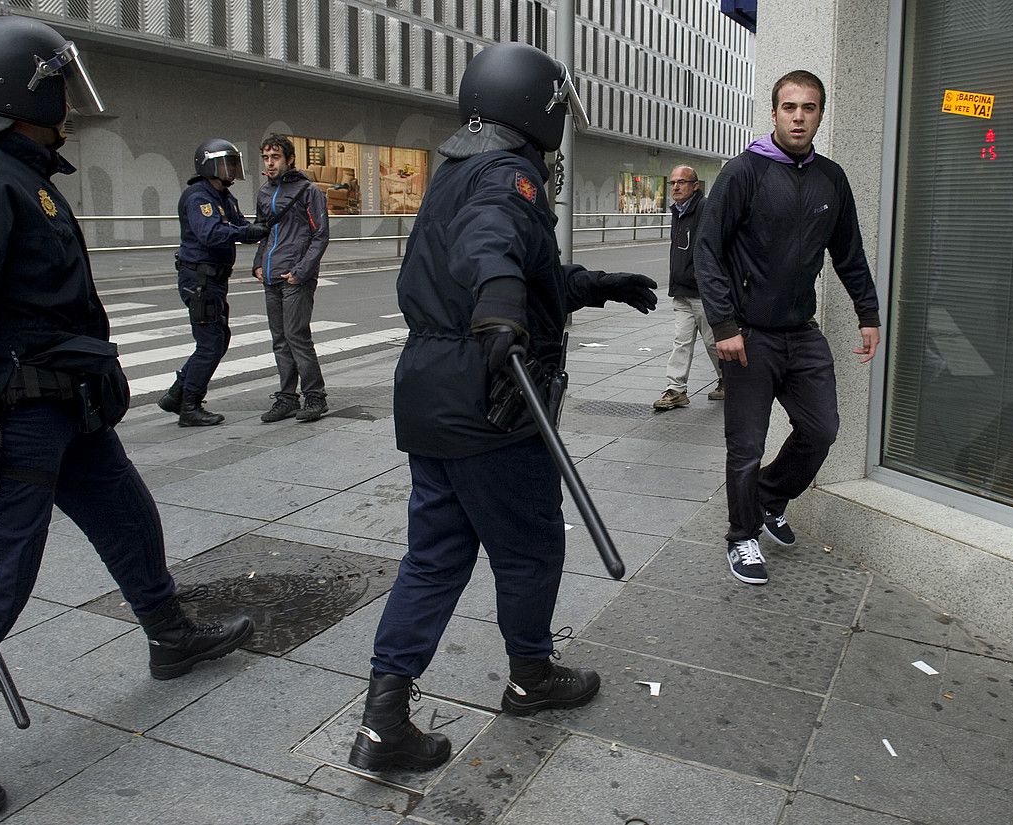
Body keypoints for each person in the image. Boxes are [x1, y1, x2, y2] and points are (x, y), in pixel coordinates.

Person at [0, 17, 254, 823]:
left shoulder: (20, 172)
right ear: (24, 88)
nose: (72, 100)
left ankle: (169, 633)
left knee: (128, 517)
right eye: (59, 84)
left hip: (63, 404)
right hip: (12, 413)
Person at [347, 42, 658, 773]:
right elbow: (494, 247)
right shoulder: (506, 176)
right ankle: (532, 675)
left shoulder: (455, 169)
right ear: (535, 108)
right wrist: (499, 303)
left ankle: (383, 717)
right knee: (530, 547)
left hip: (433, 391)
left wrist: (595, 283)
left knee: (433, 556)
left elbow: (523, 265)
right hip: (492, 397)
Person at [695, 69, 881, 586]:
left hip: (801, 333)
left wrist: (868, 313)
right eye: (789, 107)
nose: (799, 117)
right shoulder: (744, 172)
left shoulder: (832, 178)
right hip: (748, 336)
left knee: (821, 429)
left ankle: (769, 498)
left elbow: (849, 254)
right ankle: (742, 536)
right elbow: (706, 251)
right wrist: (724, 323)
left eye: (809, 108)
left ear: (820, 114)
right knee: (746, 445)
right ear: (774, 112)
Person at [156, 139, 269, 426]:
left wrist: (256, 227)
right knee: (210, 343)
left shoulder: (223, 196)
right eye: (226, 163)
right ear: (209, 164)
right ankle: (189, 407)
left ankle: (176, 394)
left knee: (219, 340)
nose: (232, 169)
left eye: (233, 163)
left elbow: (238, 224)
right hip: (200, 279)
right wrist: (247, 232)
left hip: (214, 280)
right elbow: (211, 233)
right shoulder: (199, 197)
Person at [251, 134, 331, 423]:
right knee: (279, 339)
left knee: (297, 337)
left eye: (275, 157)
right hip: (272, 275)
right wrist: (258, 264)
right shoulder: (264, 193)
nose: (269, 163)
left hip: (296, 276)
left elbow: (320, 235)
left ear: (289, 159)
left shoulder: (309, 191)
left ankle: (315, 396)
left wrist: (301, 272)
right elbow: (264, 231)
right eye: (266, 158)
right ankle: (286, 398)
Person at [653, 165, 724, 411]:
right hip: (681, 291)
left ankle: (729, 381)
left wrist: (706, 279)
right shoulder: (678, 211)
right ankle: (676, 390)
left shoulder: (704, 209)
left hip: (702, 292)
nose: (675, 187)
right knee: (680, 342)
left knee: (713, 342)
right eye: (673, 182)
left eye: (682, 182)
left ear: (695, 186)